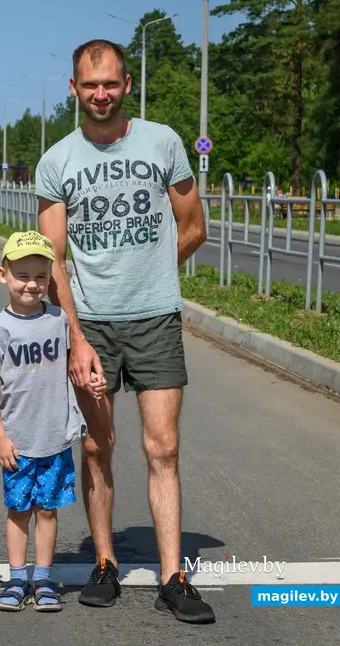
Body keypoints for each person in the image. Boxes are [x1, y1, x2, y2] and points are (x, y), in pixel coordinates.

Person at [35, 39, 213, 624]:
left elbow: (193, 227)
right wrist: (76, 338)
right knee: (95, 447)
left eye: (110, 83)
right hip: (92, 327)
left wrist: (155, 275)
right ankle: (105, 563)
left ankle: (172, 577)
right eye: (91, 85)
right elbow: (50, 258)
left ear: (127, 84)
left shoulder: (162, 143)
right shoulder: (57, 161)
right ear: (74, 89)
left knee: (163, 447)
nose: (101, 94)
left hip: (156, 319)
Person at [0, 231, 101, 613]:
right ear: (4, 275)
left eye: (40, 277)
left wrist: (91, 381)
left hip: (55, 437)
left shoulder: (59, 319)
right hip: (17, 439)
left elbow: (71, 364)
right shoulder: (0, 328)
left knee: (47, 511)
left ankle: (42, 580)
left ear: (50, 278)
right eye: (22, 275)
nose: (31, 284)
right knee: (19, 512)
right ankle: (16, 580)